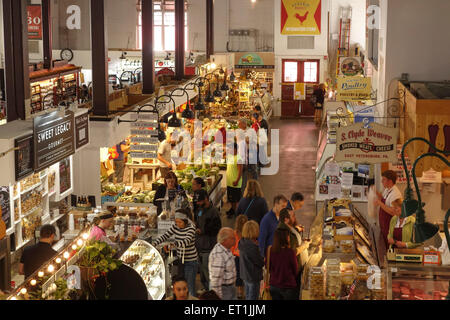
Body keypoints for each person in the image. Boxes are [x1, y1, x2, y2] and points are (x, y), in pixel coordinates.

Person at [152, 209, 198, 297]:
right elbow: (166, 235)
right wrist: (154, 243)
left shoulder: (191, 228)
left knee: (190, 287)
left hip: (191, 262)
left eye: (180, 222)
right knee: (182, 286)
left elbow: (186, 242)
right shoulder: (176, 226)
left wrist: (173, 245)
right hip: (181, 260)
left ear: (185, 221)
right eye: (176, 222)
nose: (177, 224)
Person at [277, 209, 310, 296]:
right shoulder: (283, 232)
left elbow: (293, 241)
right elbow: (292, 252)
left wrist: (296, 230)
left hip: (295, 269)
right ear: (286, 219)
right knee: (293, 294)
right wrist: (305, 246)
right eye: (292, 216)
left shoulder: (288, 227)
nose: (295, 218)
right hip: (291, 273)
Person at [195, 189, 222, 294]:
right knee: (202, 272)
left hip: (209, 247)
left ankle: (212, 293)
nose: (198, 203)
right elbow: (198, 222)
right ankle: (206, 290)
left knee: (208, 272)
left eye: (200, 201)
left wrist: (203, 231)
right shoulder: (200, 209)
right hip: (200, 246)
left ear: (206, 199)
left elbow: (217, 228)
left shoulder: (214, 212)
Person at [374, 170, 402, 249]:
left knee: (390, 248)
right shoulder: (387, 189)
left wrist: (379, 203)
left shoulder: (395, 194)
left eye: (384, 180)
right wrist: (375, 192)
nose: (382, 181)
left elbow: (393, 212)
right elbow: (384, 200)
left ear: (390, 181)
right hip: (385, 227)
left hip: (391, 227)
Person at [268, 229, 298, 300]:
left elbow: (268, 266)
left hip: (274, 285)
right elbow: (295, 270)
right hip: (288, 286)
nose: (289, 238)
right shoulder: (290, 252)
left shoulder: (271, 250)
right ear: (285, 238)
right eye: (288, 236)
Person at [208, 227, 237, 300]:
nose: (235, 240)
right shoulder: (219, 254)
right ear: (225, 240)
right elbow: (216, 279)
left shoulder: (226, 249)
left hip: (229, 288)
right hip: (223, 289)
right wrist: (217, 297)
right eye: (233, 238)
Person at [239, 220, 264, 300]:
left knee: (247, 296)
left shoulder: (242, 242)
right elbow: (260, 262)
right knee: (253, 297)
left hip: (244, 274)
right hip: (253, 276)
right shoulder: (252, 247)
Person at [231, 214, 248, 299]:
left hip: (237, 256)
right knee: (244, 274)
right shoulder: (248, 233)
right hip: (244, 256)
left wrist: (232, 253)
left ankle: (239, 291)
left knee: (238, 274)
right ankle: (243, 291)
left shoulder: (235, 233)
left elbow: (232, 245)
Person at [226, 142, 243, 217]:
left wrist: (237, 180)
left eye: (230, 148)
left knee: (236, 200)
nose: (229, 150)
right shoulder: (230, 156)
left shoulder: (238, 158)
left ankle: (237, 212)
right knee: (231, 199)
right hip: (229, 182)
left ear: (235, 149)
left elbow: (240, 171)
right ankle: (232, 210)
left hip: (235, 183)